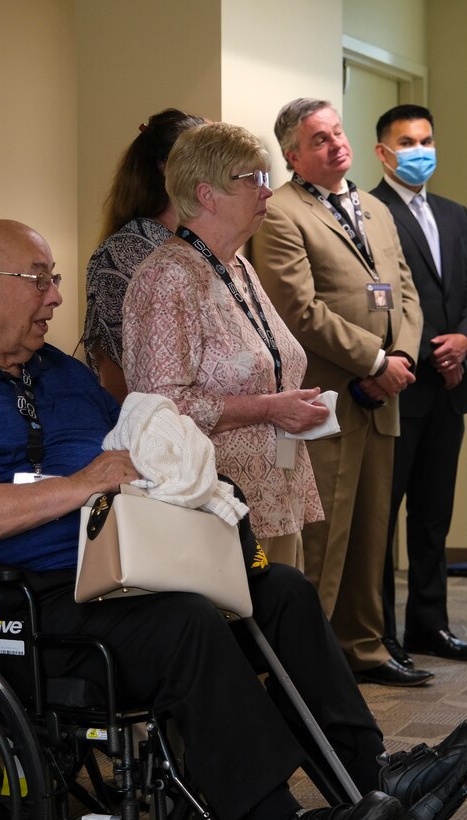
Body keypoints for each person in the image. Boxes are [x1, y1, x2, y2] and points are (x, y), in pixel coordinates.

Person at [0, 218, 467, 820]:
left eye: (54, 278)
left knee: (281, 592)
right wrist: (82, 484)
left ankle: (371, 775)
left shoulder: (61, 375)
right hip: (13, 607)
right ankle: (270, 813)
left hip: (117, 572)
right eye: (39, 279)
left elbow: (135, 444)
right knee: (186, 622)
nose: (56, 296)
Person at [248, 99, 430, 687]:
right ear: (294, 155)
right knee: (324, 540)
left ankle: (365, 649)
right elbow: (297, 310)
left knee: (372, 535)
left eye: (338, 132)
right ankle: (311, 669)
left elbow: (404, 291)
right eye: (320, 139)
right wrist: (373, 360)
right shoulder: (279, 213)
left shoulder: (375, 209)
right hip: (325, 401)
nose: (336, 145)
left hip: (382, 397)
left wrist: (399, 358)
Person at [122, 122, 328, 570]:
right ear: (206, 194)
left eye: (265, 178)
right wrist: (270, 408)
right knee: (245, 635)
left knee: (284, 629)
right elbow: (162, 409)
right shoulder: (169, 278)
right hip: (216, 506)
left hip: (274, 496)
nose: (267, 192)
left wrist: (290, 404)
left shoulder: (238, 268)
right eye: (251, 179)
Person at [369, 105, 467, 667]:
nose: (421, 150)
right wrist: (427, 352)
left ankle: (429, 625)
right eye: (408, 141)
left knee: (434, 516)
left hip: (450, 388)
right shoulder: (370, 213)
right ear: (384, 152)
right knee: (383, 519)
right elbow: (375, 302)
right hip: (403, 387)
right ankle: (380, 634)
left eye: (427, 139)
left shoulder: (454, 213)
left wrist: (463, 342)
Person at [83, 108, 204, 402]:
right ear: (170, 168)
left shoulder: (204, 246)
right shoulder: (127, 251)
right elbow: (124, 375)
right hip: (155, 431)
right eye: (209, 157)